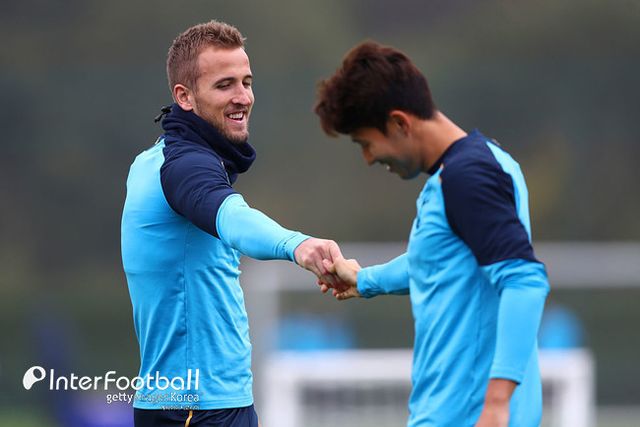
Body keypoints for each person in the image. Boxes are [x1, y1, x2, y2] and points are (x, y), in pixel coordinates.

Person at [314, 41, 550, 427]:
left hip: (467, 416)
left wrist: (496, 403)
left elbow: (525, 281)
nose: (369, 159)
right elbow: (439, 261)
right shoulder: (489, 163)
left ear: (399, 123)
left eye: (366, 143)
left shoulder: (466, 178)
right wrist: (364, 280)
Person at [121, 20, 343, 427]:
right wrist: (298, 245)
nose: (243, 97)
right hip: (198, 409)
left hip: (195, 404)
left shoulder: (153, 159)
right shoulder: (184, 165)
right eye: (224, 85)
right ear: (184, 97)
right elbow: (231, 217)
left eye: (247, 82)